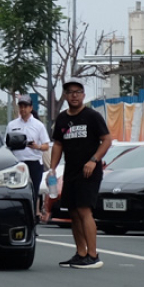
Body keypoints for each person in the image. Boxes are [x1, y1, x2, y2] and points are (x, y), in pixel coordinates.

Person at [47, 79, 111, 269]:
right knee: (73, 212)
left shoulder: (92, 116)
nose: (74, 95)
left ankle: (93, 255)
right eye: (70, 92)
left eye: (78, 92)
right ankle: (80, 253)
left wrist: (94, 160)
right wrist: (52, 168)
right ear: (65, 96)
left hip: (89, 171)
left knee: (84, 210)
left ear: (83, 95)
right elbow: (58, 144)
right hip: (71, 171)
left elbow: (106, 140)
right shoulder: (62, 119)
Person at [6, 94, 51, 203]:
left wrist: (37, 146)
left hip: (34, 163)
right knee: (15, 191)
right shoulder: (12, 125)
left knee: (34, 191)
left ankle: (33, 215)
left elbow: (46, 145)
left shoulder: (39, 125)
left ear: (31, 108)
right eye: (21, 106)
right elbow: (5, 144)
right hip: (17, 162)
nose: (23, 109)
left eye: (25, 106)